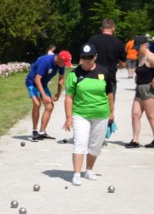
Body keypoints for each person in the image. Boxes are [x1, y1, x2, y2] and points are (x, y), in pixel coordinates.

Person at [63, 42, 114, 186]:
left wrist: (112, 111)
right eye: (84, 57)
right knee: (80, 142)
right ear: (80, 57)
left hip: (101, 114)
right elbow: (69, 97)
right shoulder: (74, 74)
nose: (87, 60)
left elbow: (109, 93)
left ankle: (89, 170)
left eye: (90, 57)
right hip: (81, 114)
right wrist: (68, 118)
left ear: (95, 57)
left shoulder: (104, 72)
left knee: (95, 145)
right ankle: (77, 173)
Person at [125, 35, 154, 149]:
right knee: (135, 115)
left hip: (150, 90)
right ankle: (135, 140)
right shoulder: (140, 56)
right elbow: (141, 70)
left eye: (138, 48)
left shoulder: (150, 57)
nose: (136, 50)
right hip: (140, 89)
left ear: (145, 45)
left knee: (151, 116)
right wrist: (137, 77)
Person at [25, 50, 72, 141]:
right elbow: (37, 79)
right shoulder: (45, 61)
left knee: (49, 107)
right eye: (64, 63)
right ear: (59, 58)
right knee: (37, 104)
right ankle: (35, 131)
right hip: (32, 83)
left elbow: (61, 79)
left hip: (43, 84)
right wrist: (43, 95)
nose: (65, 65)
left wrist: (58, 93)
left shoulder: (60, 64)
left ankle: (42, 132)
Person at [88, 18, 126, 94]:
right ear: (113, 28)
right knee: (109, 104)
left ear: (101, 28)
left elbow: (85, 59)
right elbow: (123, 64)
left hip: (93, 77)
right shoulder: (118, 43)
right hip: (110, 77)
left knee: (93, 104)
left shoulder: (93, 40)